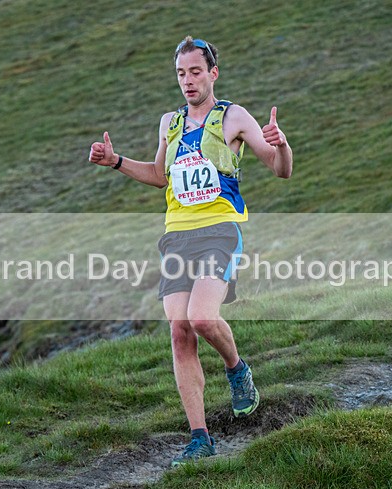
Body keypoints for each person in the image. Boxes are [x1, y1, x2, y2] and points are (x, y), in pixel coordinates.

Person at [88, 36, 292, 466]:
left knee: (201, 318)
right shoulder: (170, 123)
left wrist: (283, 144)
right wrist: (117, 161)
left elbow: (279, 169)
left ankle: (237, 370)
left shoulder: (233, 116)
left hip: (219, 230)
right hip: (177, 235)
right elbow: (161, 176)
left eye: (195, 71)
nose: (188, 81)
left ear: (213, 73)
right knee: (179, 330)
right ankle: (200, 438)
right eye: (181, 74)